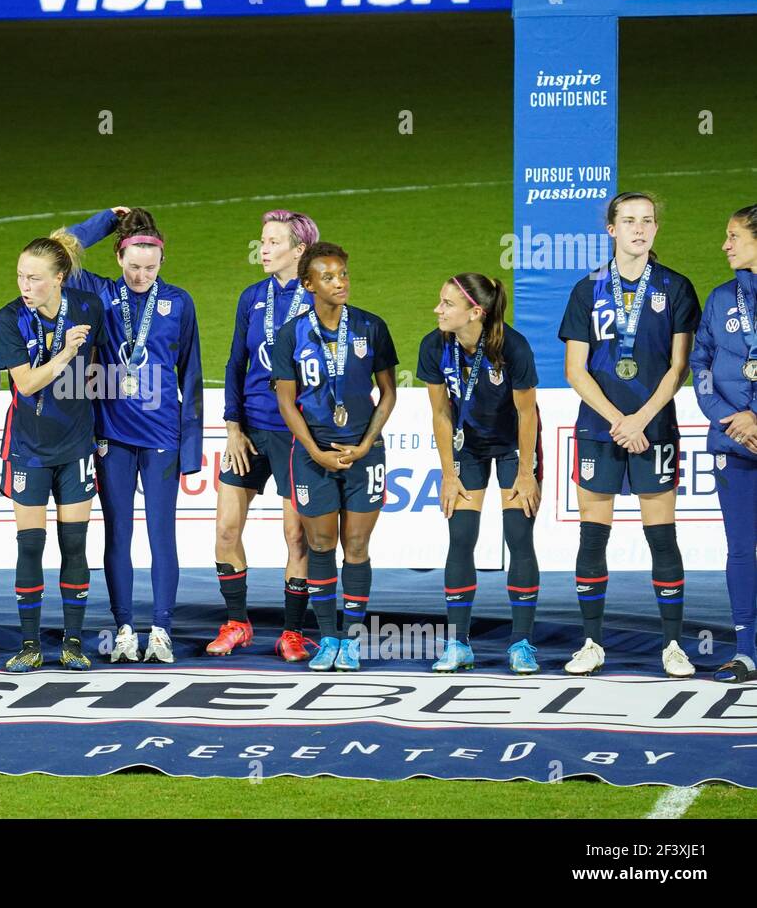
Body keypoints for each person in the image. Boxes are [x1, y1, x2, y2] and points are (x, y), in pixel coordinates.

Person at [559, 191, 701, 678]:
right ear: (611, 230)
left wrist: (640, 420)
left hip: (653, 427)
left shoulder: (676, 288)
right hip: (600, 428)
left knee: (662, 538)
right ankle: (592, 642)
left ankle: (674, 646)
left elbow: (678, 367)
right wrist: (621, 420)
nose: (639, 229)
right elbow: (575, 370)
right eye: (629, 221)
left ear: (656, 229)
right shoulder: (587, 290)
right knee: (592, 537)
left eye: (647, 221)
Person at [61, 206, 202, 663]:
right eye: (134, 265)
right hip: (112, 434)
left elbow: (192, 375)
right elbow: (59, 249)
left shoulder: (178, 302)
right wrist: (104, 221)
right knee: (117, 533)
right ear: (120, 258)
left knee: (163, 535)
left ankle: (160, 628)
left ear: (162, 262)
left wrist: (192, 445)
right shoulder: (99, 292)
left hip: (162, 432)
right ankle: (124, 627)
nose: (141, 275)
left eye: (150, 267)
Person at [272, 242, 398, 672]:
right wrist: (315, 451)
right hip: (313, 456)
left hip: (365, 454)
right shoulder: (291, 334)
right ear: (308, 284)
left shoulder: (371, 326)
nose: (339, 282)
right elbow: (286, 403)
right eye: (328, 277)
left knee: (357, 546)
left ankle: (354, 639)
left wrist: (365, 444)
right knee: (321, 545)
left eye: (342, 273)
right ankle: (328, 638)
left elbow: (389, 392)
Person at [0, 235, 108, 671]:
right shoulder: (9, 319)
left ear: (58, 278)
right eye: (21, 276)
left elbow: (96, 369)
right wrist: (64, 354)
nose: (25, 285)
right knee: (30, 546)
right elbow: (24, 384)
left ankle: (73, 642)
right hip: (30, 448)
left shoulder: (87, 308)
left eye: (35, 278)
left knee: (75, 545)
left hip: (75, 443)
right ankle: (29, 644)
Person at [418, 273, 542, 674]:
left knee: (518, 535)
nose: (438, 310)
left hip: (514, 447)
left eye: (447, 304)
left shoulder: (514, 347)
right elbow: (440, 413)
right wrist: (448, 473)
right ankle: (458, 644)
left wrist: (526, 473)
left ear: (475, 312)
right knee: (461, 536)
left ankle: (521, 644)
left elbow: (527, 413)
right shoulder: (434, 345)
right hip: (466, 447)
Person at [211, 210, 319, 661]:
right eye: (262, 241)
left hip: (295, 434)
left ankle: (291, 632)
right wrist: (233, 427)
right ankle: (237, 622)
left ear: (300, 251)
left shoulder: (319, 300)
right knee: (225, 529)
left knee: (296, 538)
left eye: (274, 242)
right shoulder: (252, 297)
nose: (264, 249)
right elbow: (236, 363)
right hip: (250, 430)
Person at [690, 203, 757, 682]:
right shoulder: (719, 299)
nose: (724, 244)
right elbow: (701, 367)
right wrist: (734, 420)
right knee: (740, 548)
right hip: (733, 442)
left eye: (734, 235)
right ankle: (746, 650)